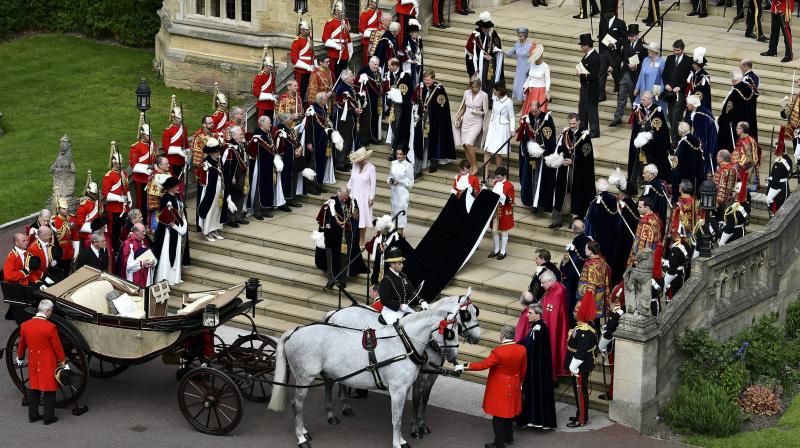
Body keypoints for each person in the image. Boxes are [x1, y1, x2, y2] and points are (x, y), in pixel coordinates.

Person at [454, 325, 527, 448]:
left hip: (499, 387)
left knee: (498, 416)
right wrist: (520, 382)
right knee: (509, 413)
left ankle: (499, 443)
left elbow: (483, 365)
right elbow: (523, 369)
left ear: (502, 336)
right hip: (514, 383)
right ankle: (509, 438)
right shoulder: (522, 349)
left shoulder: (498, 352)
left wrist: (464, 366)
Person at [17, 299, 67, 425]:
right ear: (48, 311)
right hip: (47, 362)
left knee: (34, 388)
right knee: (49, 389)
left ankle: (33, 416)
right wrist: (62, 361)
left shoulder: (25, 325)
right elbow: (57, 347)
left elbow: (22, 345)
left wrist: (20, 357)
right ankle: (48, 418)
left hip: (33, 360)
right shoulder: (50, 327)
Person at [313, 186, 367, 286]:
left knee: (344, 258)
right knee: (331, 258)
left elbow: (355, 219)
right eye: (342, 197)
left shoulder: (352, 203)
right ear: (338, 194)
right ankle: (331, 278)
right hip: (332, 236)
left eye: (346, 197)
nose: (344, 199)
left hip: (346, 236)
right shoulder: (331, 203)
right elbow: (325, 220)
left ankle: (342, 278)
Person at [516, 303, 557, 430]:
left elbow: (531, 348)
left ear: (538, 315)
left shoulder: (539, 329)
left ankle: (537, 420)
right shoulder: (535, 327)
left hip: (537, 370)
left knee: (535, 393)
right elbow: (527, 342)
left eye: (530, 313)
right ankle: (532, 419)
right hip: (534, 368)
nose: (527, 315)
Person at [411, 70, 455, 173]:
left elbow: (442, 108)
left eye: (428, 80)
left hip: (435, 122)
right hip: (422, 120)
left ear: (433, 79)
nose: (426, 82)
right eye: (425, 80)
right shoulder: (422, 88)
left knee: (434, 141)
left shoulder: (439, 90)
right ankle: (420, 162)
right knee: (422, 142)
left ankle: (433, 163)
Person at [565, 292, 597, 428]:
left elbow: (581, 351)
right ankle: (580, 413)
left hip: (580, 366)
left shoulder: (585, 331)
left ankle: (582, 419)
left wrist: (573, 366)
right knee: (577, 391)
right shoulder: (580, 325)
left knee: (580, 392)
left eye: (578, 309)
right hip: (576, 363)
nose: (575, 311)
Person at [517, 101, 557, 212]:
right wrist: (528, 149)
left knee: (538, 180)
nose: (533, 113)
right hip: (530, 156)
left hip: (541, 155)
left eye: (535, 111)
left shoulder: (547, 120)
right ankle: (531, 201)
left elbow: (550, 138)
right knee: (530, 179)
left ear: (539, 108)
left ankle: (537, 203)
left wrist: (541, 150)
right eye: (532, 110)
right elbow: (524, 137)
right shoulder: (527, 119)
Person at [557, 114, 596, 224]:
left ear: (579, 122)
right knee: (564, 191)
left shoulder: (585, 135)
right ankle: (559, 217)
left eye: (574, 123)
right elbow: (561, 147)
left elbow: (586, 155)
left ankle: (576, 218)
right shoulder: (566, 133)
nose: (572, 126)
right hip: (565, 169)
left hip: (579, 171)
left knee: (577, 193)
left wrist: (573, 161)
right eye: (570, 124)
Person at [628, 92, 671, 182]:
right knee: (640, 159)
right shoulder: (638, 109)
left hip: (652, 143)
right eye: (641, 99)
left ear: (650, 99)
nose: (641, 101)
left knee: (650, 159)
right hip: (641, 144)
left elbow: (661, 129)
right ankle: (640, 175)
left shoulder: (657, 110)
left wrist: (650, 136)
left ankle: (651, 177)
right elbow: (636, 126)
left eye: (644, 99)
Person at [611, 24, 647, 127]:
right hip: (624, 73)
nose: (630, 38)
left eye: (632, 36)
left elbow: (645, 63)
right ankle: (617, 118)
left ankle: (635, 119)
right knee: (621, 96)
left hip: (634, 76)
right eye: (629, 36)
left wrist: (636, 66)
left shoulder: (642, 47)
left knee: (633, 98)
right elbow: (621, 57)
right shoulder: (626, 43)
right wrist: (613, 66)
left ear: (637, 35)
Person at [154, 177, 188, 285]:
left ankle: (175, 277)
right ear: (171, 187)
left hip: (178, 228)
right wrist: (177, 228)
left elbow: (181, 211)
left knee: (177, 252)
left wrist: (183, 224)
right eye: (176, 186)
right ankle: (166, 277)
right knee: (168, 252)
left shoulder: (177, 197)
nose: (178, 188)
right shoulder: (165, 199)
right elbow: (166, 217)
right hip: (169, 230)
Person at [465, 12, 504, 105]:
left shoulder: (492, 33)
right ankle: (479, 101)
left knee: (490, 81)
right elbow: (469, 49)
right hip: (479, 64)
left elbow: (497, 44)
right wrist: (482, 56)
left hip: (490, 63)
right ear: (481, 27)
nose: (487, 30)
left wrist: (495, 50)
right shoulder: (475, 35)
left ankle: (490, 101)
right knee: (481, 81)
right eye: (486, 28)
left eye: (488, 28)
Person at [196, 138, 230, 242]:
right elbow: (202, 181)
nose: (218, 154)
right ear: (210, 153)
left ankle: (215, 229)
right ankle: (207, 232)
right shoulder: (206, 164)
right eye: (216, 152)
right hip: (210, 192)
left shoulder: (218, 161)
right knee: (210, 211)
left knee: (217, 210)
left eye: (218, 152)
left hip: (220, 190)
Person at [303, 92, 338, 191]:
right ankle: (311, 186)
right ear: (321, 100)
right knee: (314, 164)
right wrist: (309, 142)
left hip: (323, 141)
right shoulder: (312, 110)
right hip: (314, 141)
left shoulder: (323, 109)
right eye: (326, 99)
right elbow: (308, 127)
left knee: (321, 163)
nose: (327, 100)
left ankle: (319, 183)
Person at [539, 270, 570, 380]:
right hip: (550, 325)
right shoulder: (553, 288)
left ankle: (553, 375)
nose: (541, 285)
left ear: (551, 281)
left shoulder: (557, 293)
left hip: (554, 328)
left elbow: (553, 314)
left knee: (553, 347)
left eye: (543, 283)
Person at [609, 173, 639, 284]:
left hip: (622, 241)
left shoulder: (623, 206)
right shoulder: (633, 205)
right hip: (629, 240)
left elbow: (618, 226)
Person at [717, 71, 756, 155]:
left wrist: (722, 119)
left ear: (733, 80)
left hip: (735, 124)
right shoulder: (749, 88)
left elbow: (728, 110)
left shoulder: (735, 92)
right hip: (746, 121)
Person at [102, 142, 131, 258]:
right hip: (114, 209)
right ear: (114, 163)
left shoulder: (123, 173)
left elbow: (126, 187)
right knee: (112, 231)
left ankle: (118, 245)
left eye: (121, 163)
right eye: (118, 163)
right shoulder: (108, 176)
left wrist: (129, 198)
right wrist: (119, 199)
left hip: (124, 207)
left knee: (120, 228)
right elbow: (106, 194)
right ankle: (112, 248)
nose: (120, 165)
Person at [455, 78, 489, 174]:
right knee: (465, 145)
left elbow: (486, 111)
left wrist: (480, 113)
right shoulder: (467, 93)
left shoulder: (484, 95)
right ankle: (469, 166)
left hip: (476, 122)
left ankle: (475, 165)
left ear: (480, 86)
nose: (474, 89)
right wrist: (457, 117)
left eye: (476, 87)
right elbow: (463, 108)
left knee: (469, 143)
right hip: (466, 120)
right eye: (473, 87)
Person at [377, 247, 419, 324]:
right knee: (397, 328)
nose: (402, 265)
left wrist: (421, 301)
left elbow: (411, 291)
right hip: (391, 311)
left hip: (404, 308)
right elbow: (384, 300)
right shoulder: (386, 280)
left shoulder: (403, 276)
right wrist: (399, 306)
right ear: (392, 264)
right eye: (400, 263)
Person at [482, 83, 515, 179]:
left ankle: (499, 176)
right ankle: (485, 175)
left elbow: (512, 116)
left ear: (499, 91)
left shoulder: (508, 101)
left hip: (502, 128)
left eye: (494, 90)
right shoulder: (495, 97)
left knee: (497, 153)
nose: (493, 92)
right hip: (493, 127)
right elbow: (492, 112)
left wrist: (512, 129)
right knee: (487, 150)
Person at [246, 115, 276, 219]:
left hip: (268, 165)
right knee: (259, 186)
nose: (271, 124)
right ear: (261, 124)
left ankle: (265, 208)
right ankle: (257, 209)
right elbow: (252, 151)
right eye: (269, 123)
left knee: (267, 186)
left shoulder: (267, 133)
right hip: (260, 166)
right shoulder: (257, 136)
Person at [273, 113, 304, 210]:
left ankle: (290, 198)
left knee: (292, 179)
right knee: (284, 180)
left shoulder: (290, 129)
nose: (292, 120)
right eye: (290, 119)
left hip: (293, 160)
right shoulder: (279, 131)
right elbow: (279, 147)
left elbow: (296, 141)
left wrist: (300, 148)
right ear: (285, 121)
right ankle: (283, 202)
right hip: (285, 160)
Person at [584, 179, 619, 265]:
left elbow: (590, 221)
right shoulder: (613, 198)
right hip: (612, 233)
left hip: (598, 235)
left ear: (598, 189)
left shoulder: (596, 202)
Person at [663, 40, 692, 141]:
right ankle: (676, 135)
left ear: (682, 50)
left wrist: (680, 87)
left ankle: (674, 140)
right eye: (674, 50)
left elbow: (689, 79)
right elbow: (664, 74)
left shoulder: (688, 60)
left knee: (676, 115)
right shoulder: (670, 58)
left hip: (680, 93)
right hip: (669, 92)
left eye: (678, 50)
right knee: (670, 115)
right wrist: (666, 84)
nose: (675, 52)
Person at [347, 147, 376, 248]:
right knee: (353, 219)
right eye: (357, 161)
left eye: (360, 160)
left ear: (365, 158)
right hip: (354, 197)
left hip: (364, 198)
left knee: (362, 220)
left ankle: (361, 241)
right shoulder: (355, 166)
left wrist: (371, 198)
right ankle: (353, 239)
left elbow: (373, 185)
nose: (358, 162)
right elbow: (351, 180)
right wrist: (347, 191)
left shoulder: (371, 168)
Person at [383, 58, 413, 156]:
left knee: (398, 126)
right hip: (392, 104)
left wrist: (396, 94)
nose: (388, 67)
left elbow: (408, 92)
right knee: (393, 125)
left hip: (401, 106)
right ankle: (396, 146)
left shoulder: (405, 76)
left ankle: (398, 149)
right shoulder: (389, 74)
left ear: (395, 66)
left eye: (389, 66)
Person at [333, 70, 362, 170]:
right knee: (343, 140)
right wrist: (354, 110)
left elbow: (353, 101)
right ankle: (340, 163)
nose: (353, 77)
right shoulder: (341, 88)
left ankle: (346, 160)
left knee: (349, 139)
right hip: (342, 119)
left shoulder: (350, 87)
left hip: (350, 118)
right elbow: (342, 105)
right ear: (345, 78)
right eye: (351, 76)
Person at [223, 126, 251, 227]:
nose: (242, 136)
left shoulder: (242, 144)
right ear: (234, 136)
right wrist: (231, 178)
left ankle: (238, 216)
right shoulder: (229, 147)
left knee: (241, 195)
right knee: (233, 197)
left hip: (243, 174)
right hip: (234, 177)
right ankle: (231, 219)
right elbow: (227, 165)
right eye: (240, 135)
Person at [129, 116, 155, 224]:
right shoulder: (136, 147)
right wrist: (146, 169)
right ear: (142, 134)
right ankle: (141, 221)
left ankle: (149, 220)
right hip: (141, 179)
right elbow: (134, 165)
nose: (149, 137)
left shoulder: (153, 145)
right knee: (142, 201)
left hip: (151, 178)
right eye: (146, 135)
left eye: (149, 135)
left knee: (151, 200)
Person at [684, 94, 718, 175]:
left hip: (706, 148)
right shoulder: (704, 110)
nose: (686, 105)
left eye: (687, 104)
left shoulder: (699, 116)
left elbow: (700, 138)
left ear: (692, 105)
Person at [597, 10, 626, 103]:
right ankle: (602, 94)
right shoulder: (602, 21)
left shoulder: (620, 23)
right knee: (601, 73)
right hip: (604, 52)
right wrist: (600, 52)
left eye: (606, 13)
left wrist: (616, 45)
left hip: (615, 54)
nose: (604, 14)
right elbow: (601, 37)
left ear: (612, 13)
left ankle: (617, 85)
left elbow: (625, 39)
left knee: (616, 73)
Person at [357, 56, 384, 146]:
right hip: (367, 100)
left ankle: (374, 137)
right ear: (370, 63)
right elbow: (359, 86)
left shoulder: (376, 72)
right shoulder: (364, 71)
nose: (376, 67)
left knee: (374, 118)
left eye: (377, 65)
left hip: (375, 99)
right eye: (375, 64)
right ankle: (365, 139)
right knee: (366, 120)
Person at [161, 97, 190, 183]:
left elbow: (186, 143)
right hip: (172, 161)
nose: (180, 119)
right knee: (173, 182)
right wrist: (178, 150)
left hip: (182, 159)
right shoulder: (168, 130)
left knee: (180, 183)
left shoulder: (183, 128)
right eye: (178, 118)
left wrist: (188, 152)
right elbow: (166, 148)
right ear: (173, 117)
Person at [489, 167, 514, 260]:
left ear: (504, 176)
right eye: (496, 177)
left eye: (499, 177)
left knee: (504, 231)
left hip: (504, 211)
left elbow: (511, 200)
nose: (497, 179)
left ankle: (503, 251)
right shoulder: (495, 182)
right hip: (495, 210)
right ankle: (496, 250)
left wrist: (504, 199)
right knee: (494, 230)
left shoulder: (509, 185)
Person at [577, 34, 600, 138]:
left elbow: (594, 75)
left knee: (591, 110)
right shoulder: (587, 55)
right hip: (585, 87)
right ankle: (583, 128)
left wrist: (582, 74)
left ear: (587, 45)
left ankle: (594, 131)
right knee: (583, 108)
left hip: (591, 88)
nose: (581, 47)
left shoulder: (594, 56)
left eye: (582, 45)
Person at [628, 197, 663, 266]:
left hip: (643, 260)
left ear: (647, 207)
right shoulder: (657, 218)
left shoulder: (645, 222)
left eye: (640, 207)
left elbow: (642, 242)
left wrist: (635, 259)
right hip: (653, 256)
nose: (637, 209)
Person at [388, 145, 414, 236]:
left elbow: (411, 183)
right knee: (394, 213)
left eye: (401, 154)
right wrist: (391, 181)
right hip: (394, 192)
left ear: (405, 154)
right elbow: (389, 177)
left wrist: (400, 182)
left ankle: (400, 235)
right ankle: (394, 235)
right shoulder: (393, 163)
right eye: (397, 154)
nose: (398, 156)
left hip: (403, 193)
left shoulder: (409, 165)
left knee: (401, 214)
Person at [322, 2, 352, 79]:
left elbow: (348, 38)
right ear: (336, 11)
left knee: (344, 75)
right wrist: (337, 46)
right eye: (340, 11)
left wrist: (350, 50)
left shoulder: (345, 21)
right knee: (335, 75)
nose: (342, 13)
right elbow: (325, 39)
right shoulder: (330, 23)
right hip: (334, 53)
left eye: (343, 11)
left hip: (345, 53)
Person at [634, 43, 666, 112]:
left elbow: (663, 78)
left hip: (654, 92)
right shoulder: (646, 60)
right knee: (641, 110)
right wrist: (637, 88)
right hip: (643, 89)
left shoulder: (662, 62)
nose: (647, 51)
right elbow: (641, 75)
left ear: (654, 52)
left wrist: (658, 92)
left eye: (649, 50)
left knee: (652, 111)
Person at [674, 122, 705, 195]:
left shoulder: (683, 142)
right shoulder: (697, 140)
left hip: (685, 172)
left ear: (680, 131)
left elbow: (678, 159)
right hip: (696, 170)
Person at [120, 223, 155, 287]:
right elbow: (127, 265)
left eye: (145, 231)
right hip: (134, 278)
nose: (145, 233)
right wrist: (142, 263)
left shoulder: (144, 241)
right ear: (135, 232)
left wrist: (153, 262)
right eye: (143, 232)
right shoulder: (128, 244)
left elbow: (151, 256)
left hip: (146, 276)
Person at [521, 44, 550, 117]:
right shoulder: (532, 64)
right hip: (531, 91)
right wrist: (525, 86)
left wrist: (547, 91)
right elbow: (530, 77)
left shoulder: (545, 66)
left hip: (541, 91)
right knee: (529, 110)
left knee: (539, 111)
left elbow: (548, 80)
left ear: (540, 56)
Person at [767, 134, 792, 214]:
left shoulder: (783, 160)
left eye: (776, 147)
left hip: (779, 189)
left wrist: (770, 193)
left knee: (778, 211)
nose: (775, 149)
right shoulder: (780, 159)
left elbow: (777, 177)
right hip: (776, 187)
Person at [74, 174, 101, 252]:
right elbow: (80, 223)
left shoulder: (97, 202)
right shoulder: (84, 205)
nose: (96, 196)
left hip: (98, 232)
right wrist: (93, 228)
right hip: (88, 235)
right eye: (94, 194)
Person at [720, 177, 750, 245]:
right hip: (741, 231)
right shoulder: (745, 204)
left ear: (738, 193)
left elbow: (730, 226)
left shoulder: (734, 208)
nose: (732, 193)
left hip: (733, 234)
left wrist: (722, 241)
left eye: (734, 192)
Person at [145, 156, 172, 231]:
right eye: (166, 164)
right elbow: (154, 195)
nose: (168, 165)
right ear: (160, 165)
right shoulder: (154, 177)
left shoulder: (168, 174)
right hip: (159, 209)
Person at [732, 121, 761, 189]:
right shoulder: (743, 139)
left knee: (743, 190)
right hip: (742, 169)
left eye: (737, 128)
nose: (736, 129)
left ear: (742, 130)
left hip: (745, 170)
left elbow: (749, 158)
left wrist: (737, 164)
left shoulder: (746, 142)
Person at [506, 28, 533, 103]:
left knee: (524, 88)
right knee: (518, 87)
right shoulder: (517, 44)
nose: (519, 38)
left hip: (527, 69)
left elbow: (533, 58)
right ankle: (523, 106)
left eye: (521, 36)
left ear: (525, 36)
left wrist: (531, 70)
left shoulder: (530, 45)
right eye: (518, 36)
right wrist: (501, 52)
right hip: (519, 70)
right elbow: (510, 53)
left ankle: (524, 107)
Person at [50, 197, 74, 275]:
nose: (66, 210)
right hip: (59, 250)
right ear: (58, 209)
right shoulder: (54, 221)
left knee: (68, 270)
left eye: (66, 208)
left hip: (69, 249)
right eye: (63, 208)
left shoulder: (70, 218)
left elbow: (74, 234)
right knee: (60, 271)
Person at [740, 59, 761, 142]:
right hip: (750, 105)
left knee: (747, 126)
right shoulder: (754, 77)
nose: (740, 68)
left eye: (741, 66)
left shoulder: (748, 78)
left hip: (746, 106)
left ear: (746, 66)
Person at [254, 51, 278, 119]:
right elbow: (256, 92)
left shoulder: (271, 75)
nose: (271, 68)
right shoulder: (260, 76)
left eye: (271, 66)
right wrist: (269, 96)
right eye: (269, 66)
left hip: (271, 105)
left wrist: (274, 95)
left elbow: (273, 88)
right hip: (263, 106)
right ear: (265, 65)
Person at [714, 149, 739, 215]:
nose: (716, 158)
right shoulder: (733, 168)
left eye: (717, 156)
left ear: (722, 158)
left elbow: (721, 187)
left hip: (721, 203)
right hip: (730, 200)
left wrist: (717, 202)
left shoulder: (723, 170)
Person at [402, 19, 424, 87]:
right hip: (409, 66)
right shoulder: (406, 40)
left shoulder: (419, 39)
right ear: (410, 33)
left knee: (417, 83)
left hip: (418, 65)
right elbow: (402, 53)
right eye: (414, 32)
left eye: (417, 32)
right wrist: (411, 61)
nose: (416, 34)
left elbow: (420, 51)